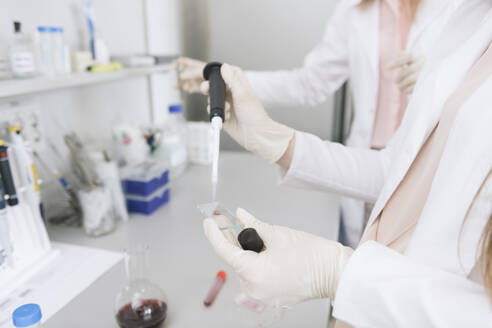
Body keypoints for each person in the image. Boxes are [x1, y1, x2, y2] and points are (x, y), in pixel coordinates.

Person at [201, 0, 492, 326]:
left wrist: (338, 272)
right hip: (376, 275)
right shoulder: (474, 19)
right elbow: (400, 170)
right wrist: (280, 142)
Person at [175, 0, 462, 247]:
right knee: (358, 274)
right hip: (365, 164)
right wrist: (227, 78)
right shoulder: (355, 10)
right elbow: (309, 83)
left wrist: (443, 75)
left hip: (429, 169)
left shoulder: (462, 8)